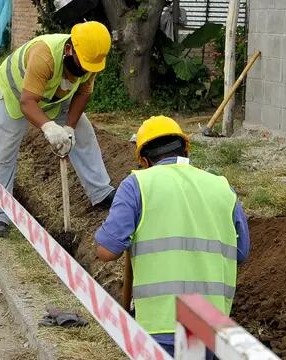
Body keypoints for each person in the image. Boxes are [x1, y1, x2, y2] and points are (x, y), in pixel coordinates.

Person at [94, 116, 250, 357]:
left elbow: (106, 251)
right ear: (186, 150)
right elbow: (240, 252)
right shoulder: (222, 187)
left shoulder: (137, 184)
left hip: (161, 325)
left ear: (144, 161)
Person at [0, 21, 116, 237]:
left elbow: (84, 94)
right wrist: (48, 127)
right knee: (5, 153)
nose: (85, 69)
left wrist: (69, 128)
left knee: (84, 132)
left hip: (54, 97)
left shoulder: (91, 58)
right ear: (69, 49)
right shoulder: (44, 55)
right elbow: (28, 102)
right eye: (82, 63)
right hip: (15, 94)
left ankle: (101, 192)